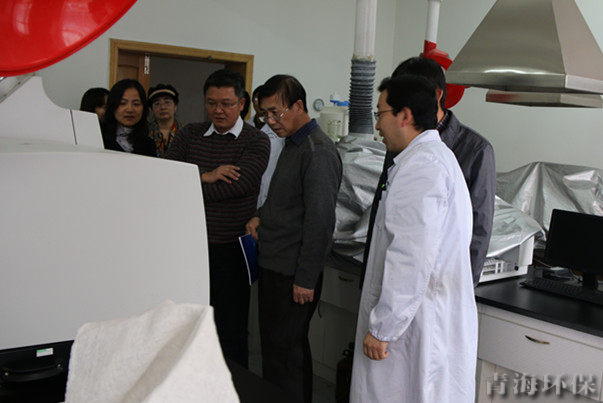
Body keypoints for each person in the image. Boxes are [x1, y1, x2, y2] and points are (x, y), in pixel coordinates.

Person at [350, 75, 478, 402]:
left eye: (381, 114)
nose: (377, 125)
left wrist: (383, 328)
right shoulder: (432, 159)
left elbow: (411, 257)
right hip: (424, 319)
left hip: (413, 326)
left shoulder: (422, 168)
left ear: (405, 115)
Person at [245, 74, 342, 403]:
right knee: (279, 352)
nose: (271, 121)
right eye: (265, 115)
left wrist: (306, 278)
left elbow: (320, 220)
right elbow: (286, 198)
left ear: (299, 105)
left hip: (293, 274)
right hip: (275, 265)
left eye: (276, 113)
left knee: (286, 358)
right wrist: (261, 214)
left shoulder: (317, 151)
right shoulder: (292, 144)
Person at [165, 69, 269, 368]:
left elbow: (238, 186)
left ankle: (230, 384)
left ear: (241, 104)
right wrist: (205, 175)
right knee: (187, 325)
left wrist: (189, 183)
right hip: (190, 248)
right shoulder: (190, 134)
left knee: (230, 329)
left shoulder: (255, 141)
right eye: (211, 103)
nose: (218, 110)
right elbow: (167, 178)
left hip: (232, 249)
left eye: (226, 103)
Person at [362, 56, 496, 288]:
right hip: (394, 277)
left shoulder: (475, 151)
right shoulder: (400, 144)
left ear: (436, 95)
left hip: (438, 286)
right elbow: (380, 213)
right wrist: (369, 277)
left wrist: (462, 288)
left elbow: (479, 231)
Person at [248, 85, 285, 208]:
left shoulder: (279, 130)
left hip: (271, 188)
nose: (259, 103)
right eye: (256, 99)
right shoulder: (245, 127)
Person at [101, 79, 155, 156]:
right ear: (112, 106)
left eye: (136, 104)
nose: (130, 110)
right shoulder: (99, 138)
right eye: (123, 103)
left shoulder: (149, 144)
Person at [147, 83, 183, 157]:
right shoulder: (144, 132)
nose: (163, 107)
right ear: (152, 109)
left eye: (167, 102)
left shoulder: (185, 132)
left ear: (175, 106)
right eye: (157, 103)